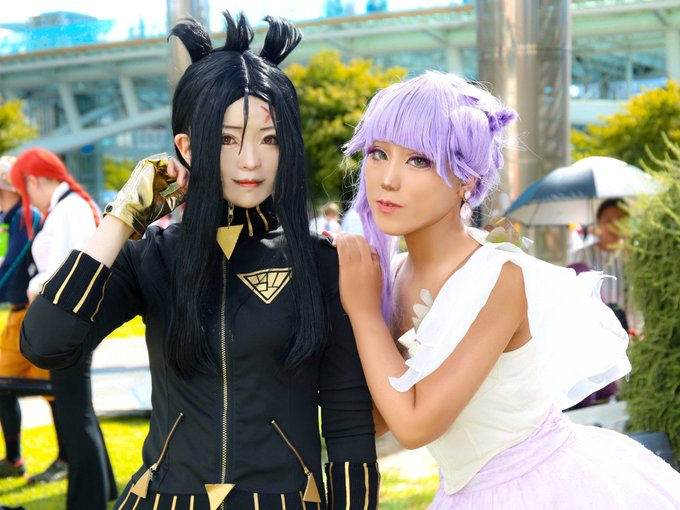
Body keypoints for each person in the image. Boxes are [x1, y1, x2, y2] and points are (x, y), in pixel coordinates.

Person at [20, 12, 378, 510]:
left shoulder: (323, 264)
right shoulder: (152, 257)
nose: (250, 160)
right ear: (186, 146)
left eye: (270, 138)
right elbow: (45, 345)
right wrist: (121, 218)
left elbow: (348, 422)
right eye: (227, 138)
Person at [334, 71, 680, 508]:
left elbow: (415, 425)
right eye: (379, 153)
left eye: (418, 160)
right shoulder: (392, 274)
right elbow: (379, 420)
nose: (387, 179)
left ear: (467, 181)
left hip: (547, 489)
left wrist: (364, 313)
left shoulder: (499, 276)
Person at [10, 148, 117, 508]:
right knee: (78, 411)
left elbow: (66, 270)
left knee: (76, 414)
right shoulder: (70, 206)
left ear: (33, 180)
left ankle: (88, 500)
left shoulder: (69, 209)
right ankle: (100, 491)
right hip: (68, 321)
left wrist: (35, 288)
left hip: (67, 323)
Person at [0, 155, 44, 479]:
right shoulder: (9, 217)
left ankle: (65, 460)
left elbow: (12, 265)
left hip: (33, 312)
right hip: (19, 313)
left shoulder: (26, 215)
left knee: (55, 392)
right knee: (3, 385)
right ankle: (14, 460)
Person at [571, 198, 633, 326]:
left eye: (621, 221)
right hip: (593, 327)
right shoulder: (583, 255)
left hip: (631, 330)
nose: (614, 226)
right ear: (598, 222)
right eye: (608, 221)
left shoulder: (635, 257)